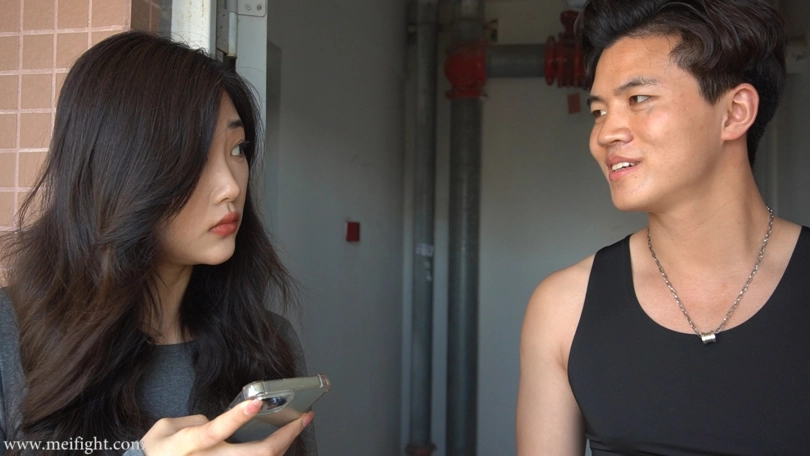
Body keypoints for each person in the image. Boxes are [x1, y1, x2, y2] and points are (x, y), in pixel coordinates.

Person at [0, 31, 316, 456]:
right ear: (117, 170)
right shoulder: (8, 337)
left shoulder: (266, 342)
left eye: (237, 149)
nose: (230, 187)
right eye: (194, 156)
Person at [516, 0, 810, 454]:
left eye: (638, 99)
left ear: (734, 113)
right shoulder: (562, 308)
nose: (605, 134)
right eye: (599, 111)